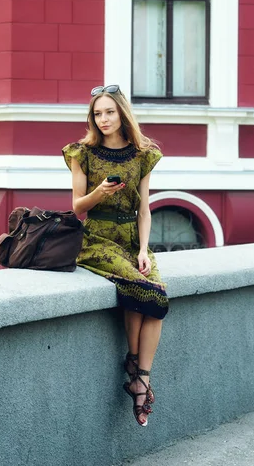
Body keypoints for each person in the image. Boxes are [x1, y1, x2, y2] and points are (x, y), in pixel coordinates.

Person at [62, 84, 169, 427]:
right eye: (97, 113)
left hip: (131, 241)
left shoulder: (143, 154)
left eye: (109, 111)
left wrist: (143, 249)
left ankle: (142, 376)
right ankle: (135, 371)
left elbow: (145, 209)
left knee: (158, 299)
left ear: (122, 113)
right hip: (97, 240)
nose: (104, 119)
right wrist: (99, 191)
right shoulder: (82, 153)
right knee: (141, 291)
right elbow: (77, 207)